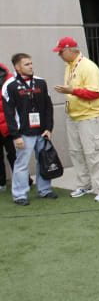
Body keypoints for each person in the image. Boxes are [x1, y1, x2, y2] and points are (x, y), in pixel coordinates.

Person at [53, 37, 99, 202]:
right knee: (76, 153)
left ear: (70, 50)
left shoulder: (88, 67)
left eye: (61, 52)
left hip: (89, 116)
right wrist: (70, 91)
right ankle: (84, 184)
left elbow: (95, 93)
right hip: (73, 115)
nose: (59, 55)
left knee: (95, 153)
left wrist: (72, 91)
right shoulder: (69, 66)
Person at [2, 53, 55, 205]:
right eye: (26, 64)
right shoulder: (10, 85)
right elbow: (9, 112)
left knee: (43, 160)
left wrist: (49, 128)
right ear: (17, 67)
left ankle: (44, 190)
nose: (31, 66)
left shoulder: (40, 82)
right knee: (21, 164)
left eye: (31, 63)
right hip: (23, 133)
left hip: (42, 131)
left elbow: (48, 107)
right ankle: (19, 195)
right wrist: (15, 135)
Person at [0, 62, 16, 191]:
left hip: (9, 124)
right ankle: (1, 182)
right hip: (7, 122)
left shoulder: (10, 79)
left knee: (14, 154)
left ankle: (22, 180)